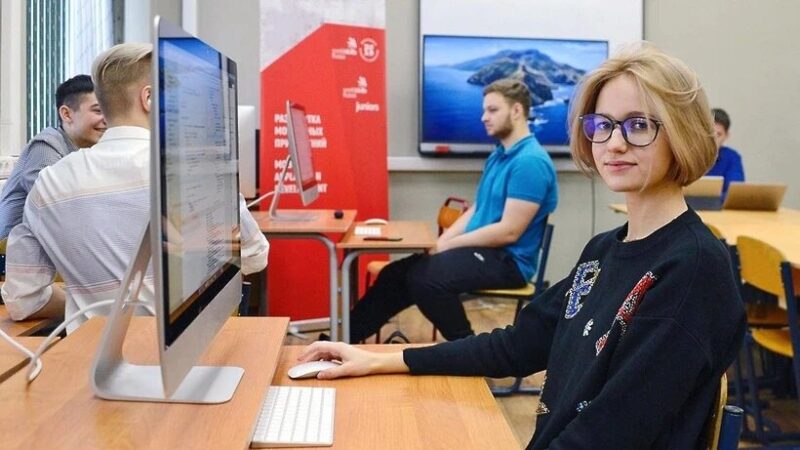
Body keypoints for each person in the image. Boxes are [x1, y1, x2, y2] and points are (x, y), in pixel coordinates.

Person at [297, 43, 746, 449]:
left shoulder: (693, 270)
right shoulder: (603, 250)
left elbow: (607, 435)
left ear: (682, 132)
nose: (614, 143)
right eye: (602, 125)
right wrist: (382, 360)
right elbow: (513, 346)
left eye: (638, 125)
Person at [2, 43, 269, 332]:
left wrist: (93, 303)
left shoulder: (49, 183)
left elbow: (23, 300)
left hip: (89, 354)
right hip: (190, 348)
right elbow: (255, 255)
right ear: (149, 98)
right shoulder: (196, 169)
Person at [347, 78, 558, 343]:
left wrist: (450, 244)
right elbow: (478, 208)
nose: (483, 117)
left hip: (508, 262)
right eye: (484, 110)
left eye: (492, 110)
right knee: (395, 274)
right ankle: (341, 342)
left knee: (426, 279)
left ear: (517, 111)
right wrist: (442, 242)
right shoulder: (499, 155)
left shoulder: (530, 162)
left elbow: (509, 232)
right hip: (483, 252)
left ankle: (470, 352)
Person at [0, 74, 106, 239]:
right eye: (98, 111)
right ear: (67, 114)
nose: (107, 119)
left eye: (109, 111)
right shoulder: (45, 145)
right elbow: (54, 205)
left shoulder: (90, 151)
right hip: (13, 248)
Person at [707, 108, 744, 199]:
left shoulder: (732, 158)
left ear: (726, 136)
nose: (713, 139)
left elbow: (735, 192)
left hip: (720, 207)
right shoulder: (689, 155)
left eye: (718, 135)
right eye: (710, 133)